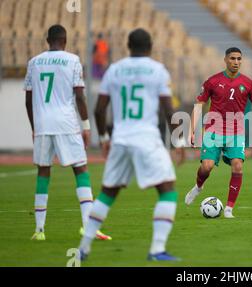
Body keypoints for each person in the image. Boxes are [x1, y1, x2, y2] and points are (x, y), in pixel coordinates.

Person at [78, 28, 183, 261]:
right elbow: (168, 108)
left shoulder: (113, 70)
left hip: (121, 138)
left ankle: (84, 247)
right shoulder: (157, 70)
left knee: (108, 193)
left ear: (128, 45)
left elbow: (98, 109)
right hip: (146, 137)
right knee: (167, 189)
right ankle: (157, 249)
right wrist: (179, 140)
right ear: (151, 46)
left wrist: (105, 139)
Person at [24, 25, 111, 241]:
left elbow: (28, 100)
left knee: (43, 171)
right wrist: (86, 126)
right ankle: (88, 227)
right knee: (80, 169)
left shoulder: (33, 62)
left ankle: (39, 230)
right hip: (66, 123)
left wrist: (34, 128)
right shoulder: (72, 60)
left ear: (47, 40)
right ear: (65, 41)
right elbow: (79, 96)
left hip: (43, 124)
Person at [184, 47, 252, 218]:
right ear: (225, 60)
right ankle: (198, 187)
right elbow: (199, 106)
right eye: (232, 58)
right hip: (213, 130)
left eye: (239, 59)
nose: (236, 62)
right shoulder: (212, 81)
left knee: (238, 165)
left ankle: (228, 209)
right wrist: (191, 130)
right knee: (207, 167)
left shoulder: (249, 84)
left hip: (236, 132)